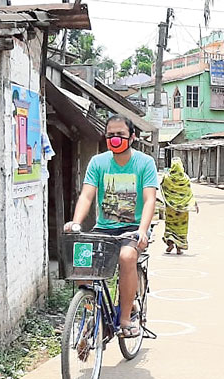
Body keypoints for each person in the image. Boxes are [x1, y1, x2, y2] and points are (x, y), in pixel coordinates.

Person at [64, 114, 158, 339]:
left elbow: (149, 200)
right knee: (82, 259)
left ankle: (125, 319)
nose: (115, 139)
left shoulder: (144, 163)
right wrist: (76, 222)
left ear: (132, 137)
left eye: (121, 135)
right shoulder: (98, 162)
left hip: (133, 228)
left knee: (126, 257)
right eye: (110, 135)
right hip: (104, 227)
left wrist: (142, 230)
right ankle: (90, 313)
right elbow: (87, 195)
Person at [160, 158, 199, 255]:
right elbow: (188, 193)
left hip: (170, 209)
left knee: (170, 226)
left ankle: (170, 243)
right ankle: (179, 248)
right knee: (181, 228)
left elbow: (162, 187)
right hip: (183, 210)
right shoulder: (185, 179)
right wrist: (194, 203)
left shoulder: (167, 178)